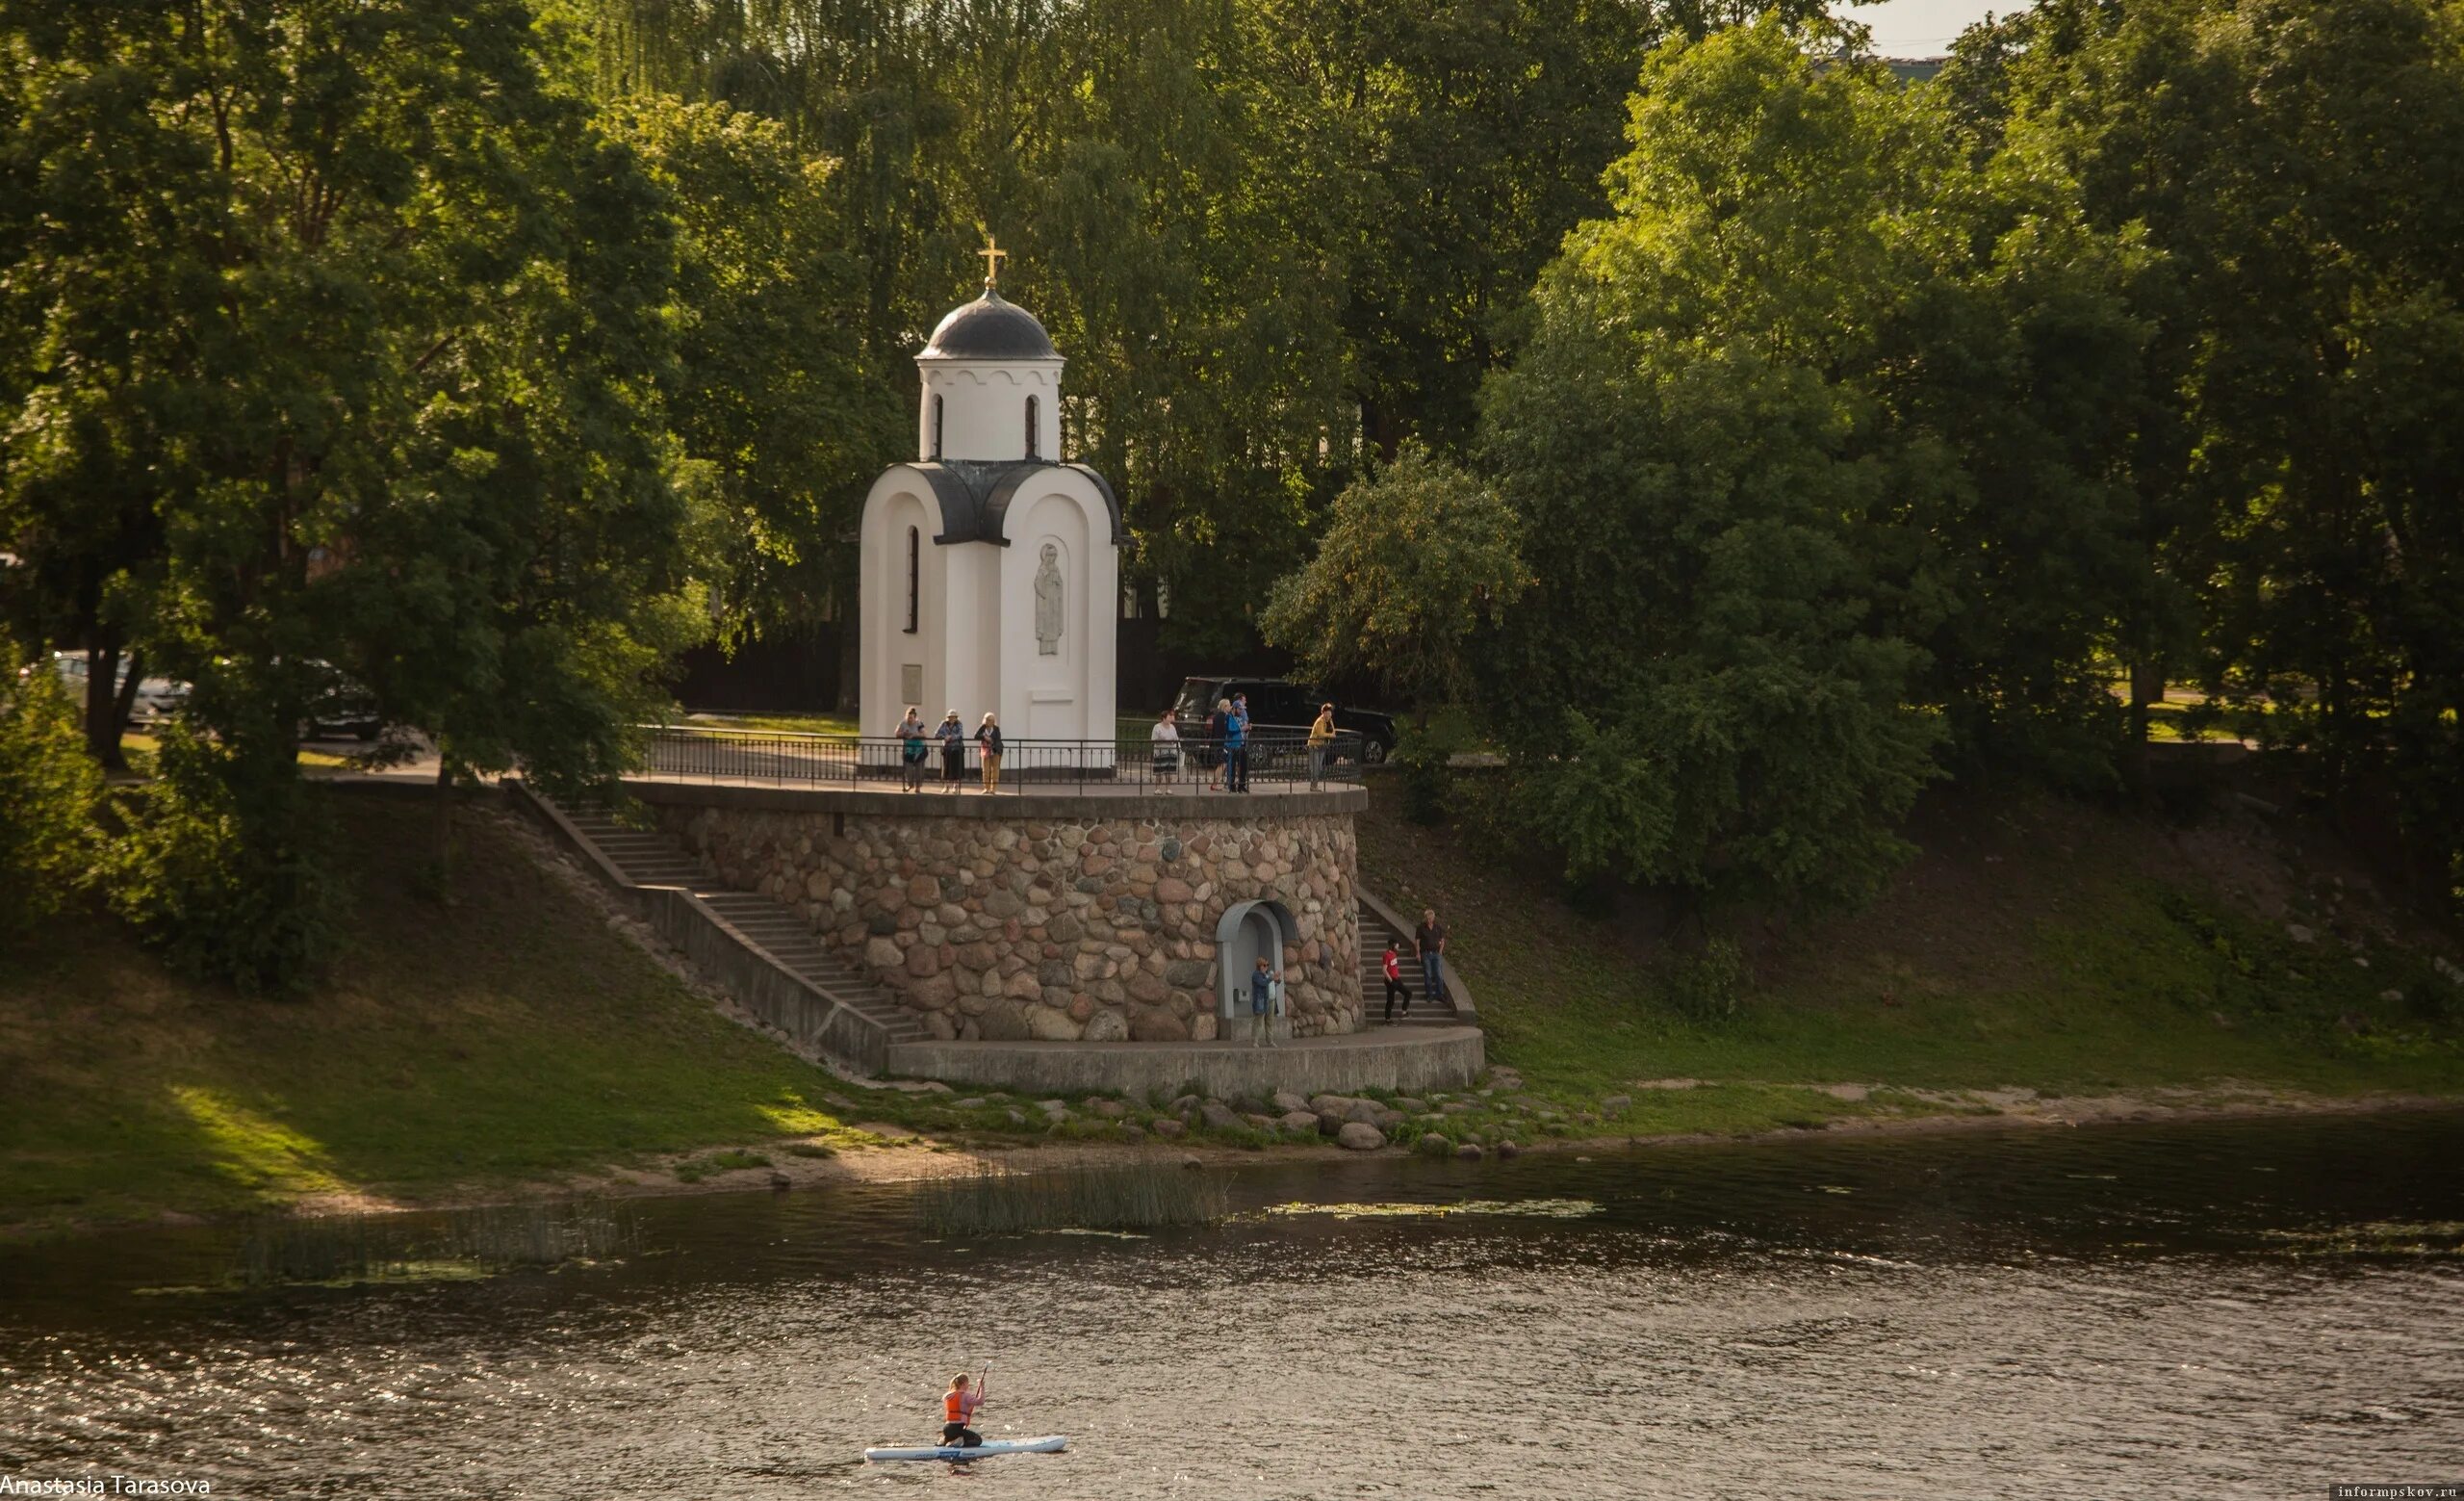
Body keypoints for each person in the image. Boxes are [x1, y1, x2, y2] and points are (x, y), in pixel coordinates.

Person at [1415, 907, 1449, 1008]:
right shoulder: (1421, 928)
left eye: (1431, 917)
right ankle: (1429, 994)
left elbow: (1442, 940)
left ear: (1433, 918)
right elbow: (1417, 941)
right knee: (1428, 974)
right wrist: (1418, 953)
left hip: (1436, 953)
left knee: (1439, 974)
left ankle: (1440, 994)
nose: (1429, 919)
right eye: (1428, 918)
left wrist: (1440, 950)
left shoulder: (1437, 927)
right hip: (1426, 953)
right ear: (1425, 918)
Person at [940, 1373, 984, 1449]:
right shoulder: (965, 1395)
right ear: (964, 1384)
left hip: (946, 1429)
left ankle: (946, 1440)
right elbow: (980, 1402)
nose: (968, 1385)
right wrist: (982, 1387)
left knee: (958, 1434)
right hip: (957, 1430)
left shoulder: (948, 1395)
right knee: (978, 1440)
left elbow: (960, 1407)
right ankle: (958, 1441)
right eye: (967, 1383)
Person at [1248, 954, 1280, 1048]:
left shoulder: (1268, 975)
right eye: (1264, 965)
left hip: (1271, 1000)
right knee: (1258, 1021)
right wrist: (1271, 978)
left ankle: (1270, 1041)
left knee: (1270, 1021)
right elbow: (1262, 983)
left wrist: (1277, 979)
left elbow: (1274, 984)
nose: (1266, 967)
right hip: (1261, 1001)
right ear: (1259, 966)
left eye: (1267, 965)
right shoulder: (1256, 975)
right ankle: (1255, 1041)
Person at [1306, 700, 1337, 790]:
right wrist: (1331, 735)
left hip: (1320, 747)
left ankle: (1314, 785)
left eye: (1330, 714)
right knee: (1315, 767)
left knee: (1318, 767)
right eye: (1327, 713)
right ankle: (1313, 786)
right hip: (1314, 746)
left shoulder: (1325, 722)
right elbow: (1320, 734)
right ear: (1323, 713)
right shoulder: (1320, 721)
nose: (1329, 716)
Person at [1149, 707, 1181, 791]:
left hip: (1171, 752)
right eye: (1168, 717)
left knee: (1169, 773)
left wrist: (1173, 741)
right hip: (1160, 752)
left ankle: (1168, 788)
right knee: (1159, 773)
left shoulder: (1172, 727)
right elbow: (1153, 740)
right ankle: (1157, 788)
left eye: (1171, 717)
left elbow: (1176, 739)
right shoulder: (1157, 727)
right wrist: (1162, 740)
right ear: (1163, 718)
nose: (1170, 718)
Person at [1224, 693, 1250, 794]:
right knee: (1232, 766)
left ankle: (1241, 785)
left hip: (1242, 744)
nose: (1241, 711)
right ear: (1234, 708)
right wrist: (1241, 729)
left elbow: (1243, 730)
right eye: (1239, 709)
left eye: (1241, 709)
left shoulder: (1241, 717)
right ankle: (1231, 785)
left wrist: (1247, 729)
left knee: (1243, 765)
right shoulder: (1229, 717)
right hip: (1233, 744)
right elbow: (1229, 731)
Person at [897, 707, 928, 792]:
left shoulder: (919, 723)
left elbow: (925, 734)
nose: (909, 719)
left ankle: (918, 787)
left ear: (915, 717)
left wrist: (914, 735)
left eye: (911, 718)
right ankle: (910, 785)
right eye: (908, 717)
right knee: (908, 770)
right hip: (907, 750)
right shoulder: (903, 723)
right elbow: (896, 733)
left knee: (919, 770)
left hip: (919, 750)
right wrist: (903, 733)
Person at [937, 710, 966, 793]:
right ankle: (946, 786)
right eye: (950, 717)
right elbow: (936, 734)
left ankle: (955, 786)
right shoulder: (943, 724)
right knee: (946, 768)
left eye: (953, 717)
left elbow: (960, 734)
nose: (952, 719)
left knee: (956, 768)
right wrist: (945, 736)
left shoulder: (959, 724)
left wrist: (951, 737)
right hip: (947, 749)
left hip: (956, 749)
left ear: (956, 718)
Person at [974, 712, 1004, 793]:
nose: (988, 721)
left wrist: (991, 740)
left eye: (990, 720)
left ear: (993, 721)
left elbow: (998, 739)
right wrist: (984, 737)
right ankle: (986, 788)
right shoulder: (982, 727)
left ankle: (993, 788)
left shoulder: (996, 728)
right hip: (985, 751)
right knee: (985, 770)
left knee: (995, 770)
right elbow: (976, 736)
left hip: (995, 750)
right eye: (987, 719)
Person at [1205, 698, 1231, 791]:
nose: (1230, 707)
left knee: (1220, 764)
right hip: (1223, 743)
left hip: (1216, 742)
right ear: (1225, 707)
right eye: (1229, 705)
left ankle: (1215, 783)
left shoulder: (1216, 717)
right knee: (1222, 764)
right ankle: (1214, 784)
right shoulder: (1226, 717)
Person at [1381, 940, 1410, 1021]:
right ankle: (1387, 1019)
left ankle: (1404, 1012)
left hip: (1397, 979)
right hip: (1390, 980)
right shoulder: (1386, 955)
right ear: (1393, 945)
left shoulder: (1394, 954)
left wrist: (1398, 975)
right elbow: (1384, 970)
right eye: (1397, 945)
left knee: (1408, 993)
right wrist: (1391, 981)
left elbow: (1394, 966)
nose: (1398, 946)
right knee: (1390, 1001)